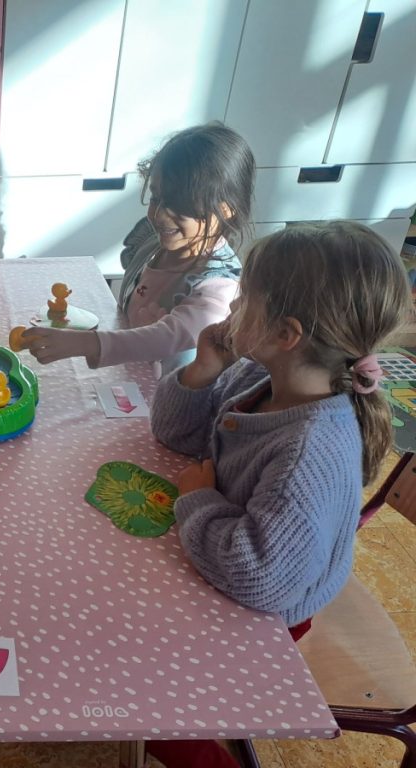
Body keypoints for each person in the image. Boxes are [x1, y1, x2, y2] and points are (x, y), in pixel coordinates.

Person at [148, 221, 410, 768]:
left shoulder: (308, 450)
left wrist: (199, 500)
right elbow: (176, 436)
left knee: (148, 705)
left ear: (287, 334)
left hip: (267, 614)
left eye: (245, 295)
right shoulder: (258, 376)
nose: (232, 305)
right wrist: (201, 372)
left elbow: (260, 579)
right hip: (233, 563)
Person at [21, 122, 255, 377]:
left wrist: (84, 343)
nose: (160, 215)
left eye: (179, 206)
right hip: (131, 378)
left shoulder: (221, 286)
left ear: (224, 211)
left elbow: (168, 336)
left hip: (175, 396)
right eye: (156, 198)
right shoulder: (155, 246)